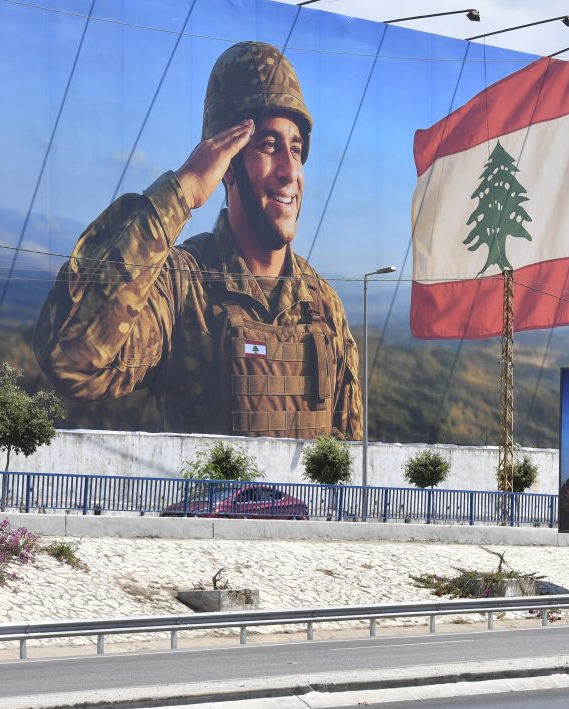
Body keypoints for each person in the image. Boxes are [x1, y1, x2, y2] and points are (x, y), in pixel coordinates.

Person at [33, 41, 362, 439]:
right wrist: (180, 193)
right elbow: (72, 361)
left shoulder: (323, 305)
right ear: (226, 162)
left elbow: (348, 456)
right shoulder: (181, 286)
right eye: (269, 146)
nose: (289, 170)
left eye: (296, 149)